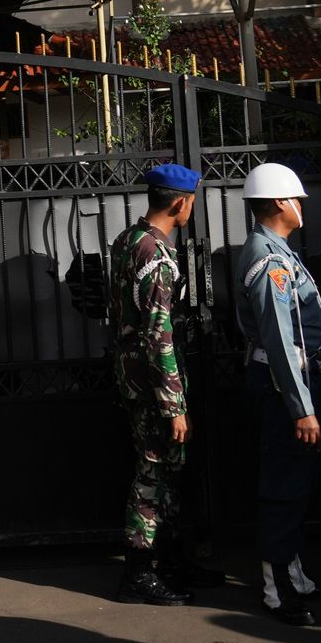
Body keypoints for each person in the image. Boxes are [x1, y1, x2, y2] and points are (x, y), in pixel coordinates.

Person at [107, 163, 224, 605]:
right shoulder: (155, 255)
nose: (192, 207)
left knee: (166, 470)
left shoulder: (128, 240)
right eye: (192, 200)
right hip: (154, 385)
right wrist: (174, 404)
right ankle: (138, 572)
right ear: (180, 202)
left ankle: (170, 560)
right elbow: (158, 334)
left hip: (134, 378)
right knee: (153, 473)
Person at [235, 163, 321, 626]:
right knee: (283, 488)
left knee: (296, 485)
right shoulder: (270, 259)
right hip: (285, 388)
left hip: (294, 383)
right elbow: (278, 338)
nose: (302, 206)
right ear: (279, 203)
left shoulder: (276, 251)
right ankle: (279, 590)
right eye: (297, 199)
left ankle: (294, 575)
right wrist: (302, 408)